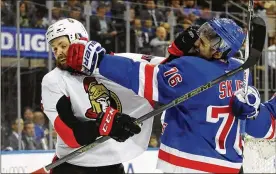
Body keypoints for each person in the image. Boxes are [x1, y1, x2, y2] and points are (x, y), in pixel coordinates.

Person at [65, 18, 254, 173]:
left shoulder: (192, 68)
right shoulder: (241, 70)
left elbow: (141, 77)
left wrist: (100, 61)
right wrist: (174, 59)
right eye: (203, 33)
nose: (198, 41)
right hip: (231, 164)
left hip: (191, 163)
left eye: (206, 40)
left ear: (219, 50)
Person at [42, 18, 163, 174]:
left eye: (63, 46)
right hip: (73, 167)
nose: (58, 52)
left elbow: (166, 68)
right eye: (54, 48)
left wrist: (180, 51)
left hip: (113, 166)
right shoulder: (53, 81)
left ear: (80, 41)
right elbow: (70, 136)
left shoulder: (111, 63)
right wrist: (106, 124)